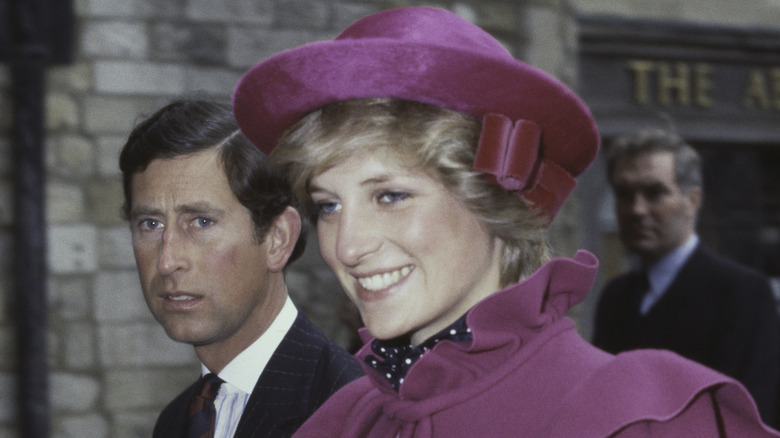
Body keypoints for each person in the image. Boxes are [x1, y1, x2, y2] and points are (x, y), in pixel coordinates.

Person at [232, 7, 780, 437]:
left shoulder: (640, 417)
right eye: (328, 205)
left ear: (491, 197)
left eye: (391, 195)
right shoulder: (344, 420)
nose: (346, 247)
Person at [119, 99, 363, 438]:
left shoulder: (353, 412)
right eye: (150, 224)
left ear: (278, 239)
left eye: (201, 222)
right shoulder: (176, 421)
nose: (167, 260)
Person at [593, 128, 780, 425]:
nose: (637, 209)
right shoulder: (616, 296)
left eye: (655, 193)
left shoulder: (742, 293)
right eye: (624, 194)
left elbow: (749, 419)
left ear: (692, 200)